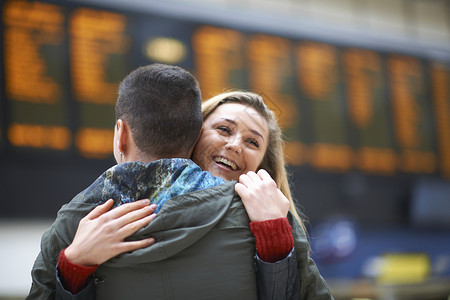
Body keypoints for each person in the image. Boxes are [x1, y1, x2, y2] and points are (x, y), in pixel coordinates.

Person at [28, 65, 332, 299]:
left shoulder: (274, 219)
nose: (236, 145)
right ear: (192, 133)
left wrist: (275, 240)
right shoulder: (82, 221)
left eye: (253, 142)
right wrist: (74, 265)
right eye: (224, 130)